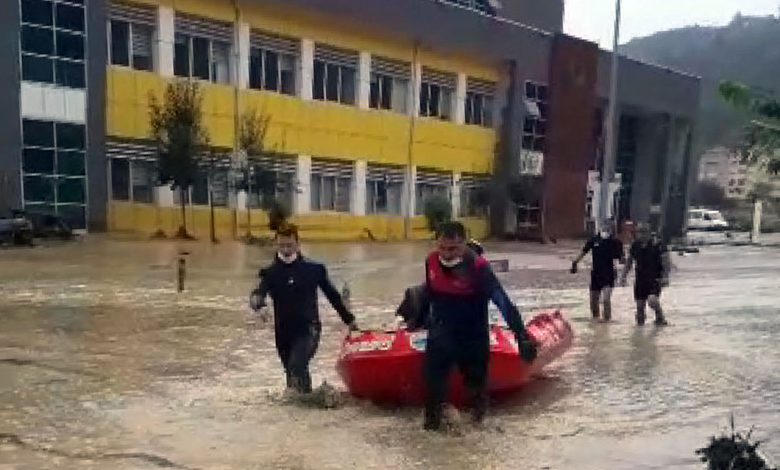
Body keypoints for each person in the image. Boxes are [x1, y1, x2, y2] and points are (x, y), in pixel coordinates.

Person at [422, 222, 537, 431]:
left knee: (476, 393)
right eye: (442, 248)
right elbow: (429, 294)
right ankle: (431, 443)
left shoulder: (478, 267)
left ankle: (479, 439)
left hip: (473, 336)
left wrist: (521, 335)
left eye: (453, 249)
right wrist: (417, 318)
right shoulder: (430, 261)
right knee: (433, 394)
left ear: (464, 244)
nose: (447, 255)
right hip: (441, 334)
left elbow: (502, 301)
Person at [250, 224, 358, 393]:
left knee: (297, 365)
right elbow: (257, 294)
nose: (285, 249)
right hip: (283, 333)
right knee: (292, 377)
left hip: (309, 329)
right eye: (281, 245)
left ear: (297, 244)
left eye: (289, 245)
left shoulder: (314, 269)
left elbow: (333, 296)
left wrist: (349, 320)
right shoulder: (270, 273)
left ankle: (307, 406)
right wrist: (260, 306)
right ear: (277, 244)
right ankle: (303, 412)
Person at [571, 222, 625, 321]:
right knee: (593, 301)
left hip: (609, 274)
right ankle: (595, 320)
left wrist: (622, 260)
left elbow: (622, 258)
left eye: (608, 228)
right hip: (596, 274)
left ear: (612, 229)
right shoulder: (593, 240)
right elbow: (584, 252)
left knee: (606, 299)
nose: (606, 229)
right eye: (604, 227)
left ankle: (607, 320)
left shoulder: (616, 242)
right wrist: (575, 262)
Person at [620, 223, 670, 326]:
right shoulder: (635, 245)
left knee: (652, 300)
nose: (641, 235)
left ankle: (660, 316)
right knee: (639, 308)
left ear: (649, 233)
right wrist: (623, 276)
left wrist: (665, 276)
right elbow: (629, 262)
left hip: (655, 278)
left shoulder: (658, 244)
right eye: (639, 232)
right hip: (640, 279)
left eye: (644, 232)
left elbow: (666, 262)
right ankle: (640, 332)